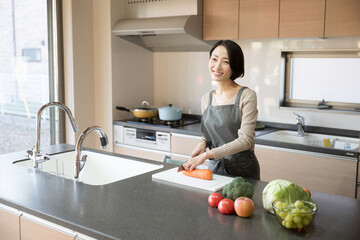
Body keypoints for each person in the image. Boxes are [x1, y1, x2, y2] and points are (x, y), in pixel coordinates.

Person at [183, 40, 260, 180]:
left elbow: (246, 141)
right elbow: (208, 134)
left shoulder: (247, 96)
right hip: (215, 169)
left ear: (234, 66)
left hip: (242, 171)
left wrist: (207, 154)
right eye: (214, 59)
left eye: (226, 61)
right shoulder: (207, 98)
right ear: (209, 60)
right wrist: (203, 143)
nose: (217, 66)